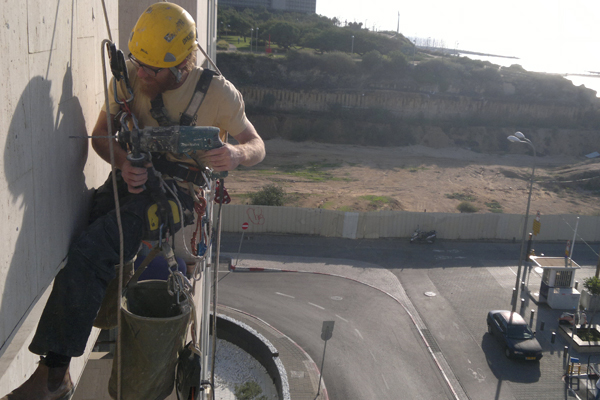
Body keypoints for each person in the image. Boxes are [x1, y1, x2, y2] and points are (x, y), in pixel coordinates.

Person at [1, 3, 265, 399]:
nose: (141, 73)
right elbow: (101, 133)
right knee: (92, 235)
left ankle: (53, 376)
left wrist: (236, 155)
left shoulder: (217, 95)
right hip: (133, 179)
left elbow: (257, 144)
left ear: (180, 66)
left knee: (94, 248)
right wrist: (123, 163)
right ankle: (78, 341)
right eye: (138, 62)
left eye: (152, 69)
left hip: (175, 193)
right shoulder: (129, 78)